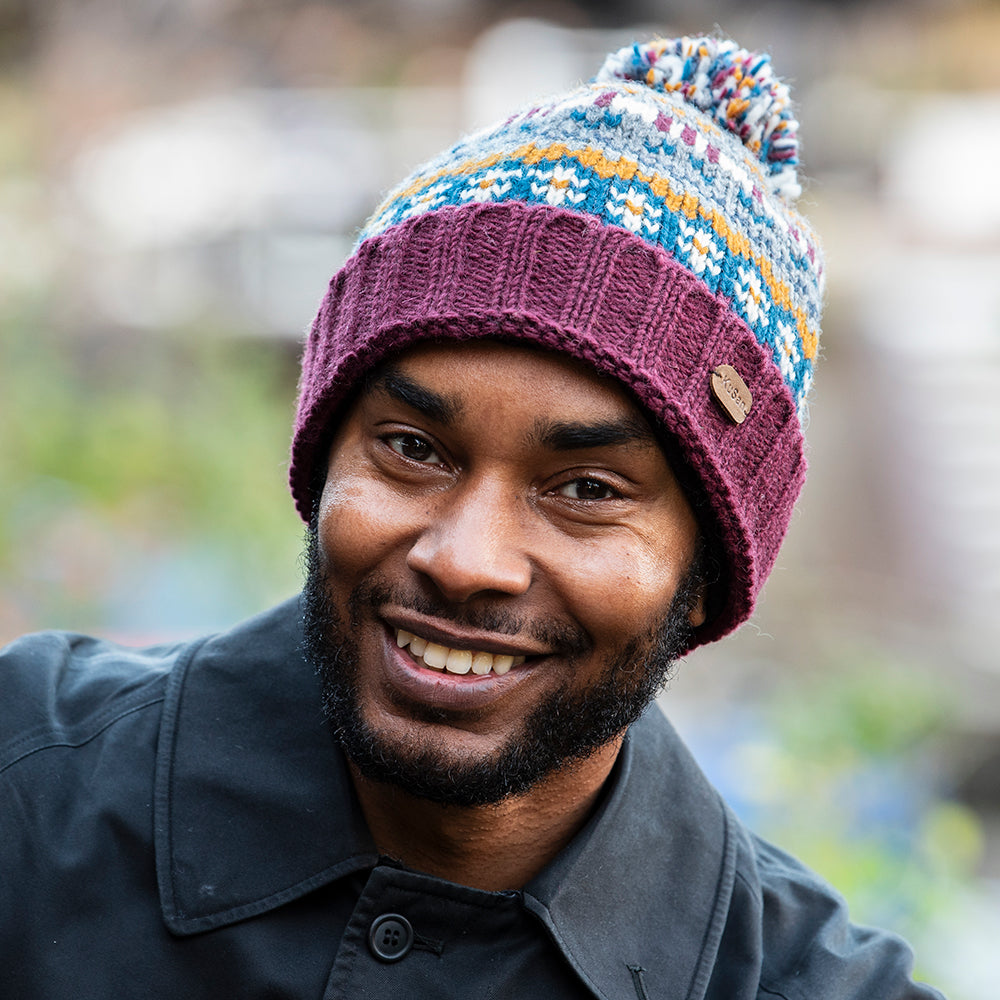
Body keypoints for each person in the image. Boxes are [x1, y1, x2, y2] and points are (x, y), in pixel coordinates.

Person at [0, 35, 944, 999]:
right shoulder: (27, 790)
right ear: (322, 461)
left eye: (587, 490)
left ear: (705, 578)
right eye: (413, 449)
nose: (465, 560)